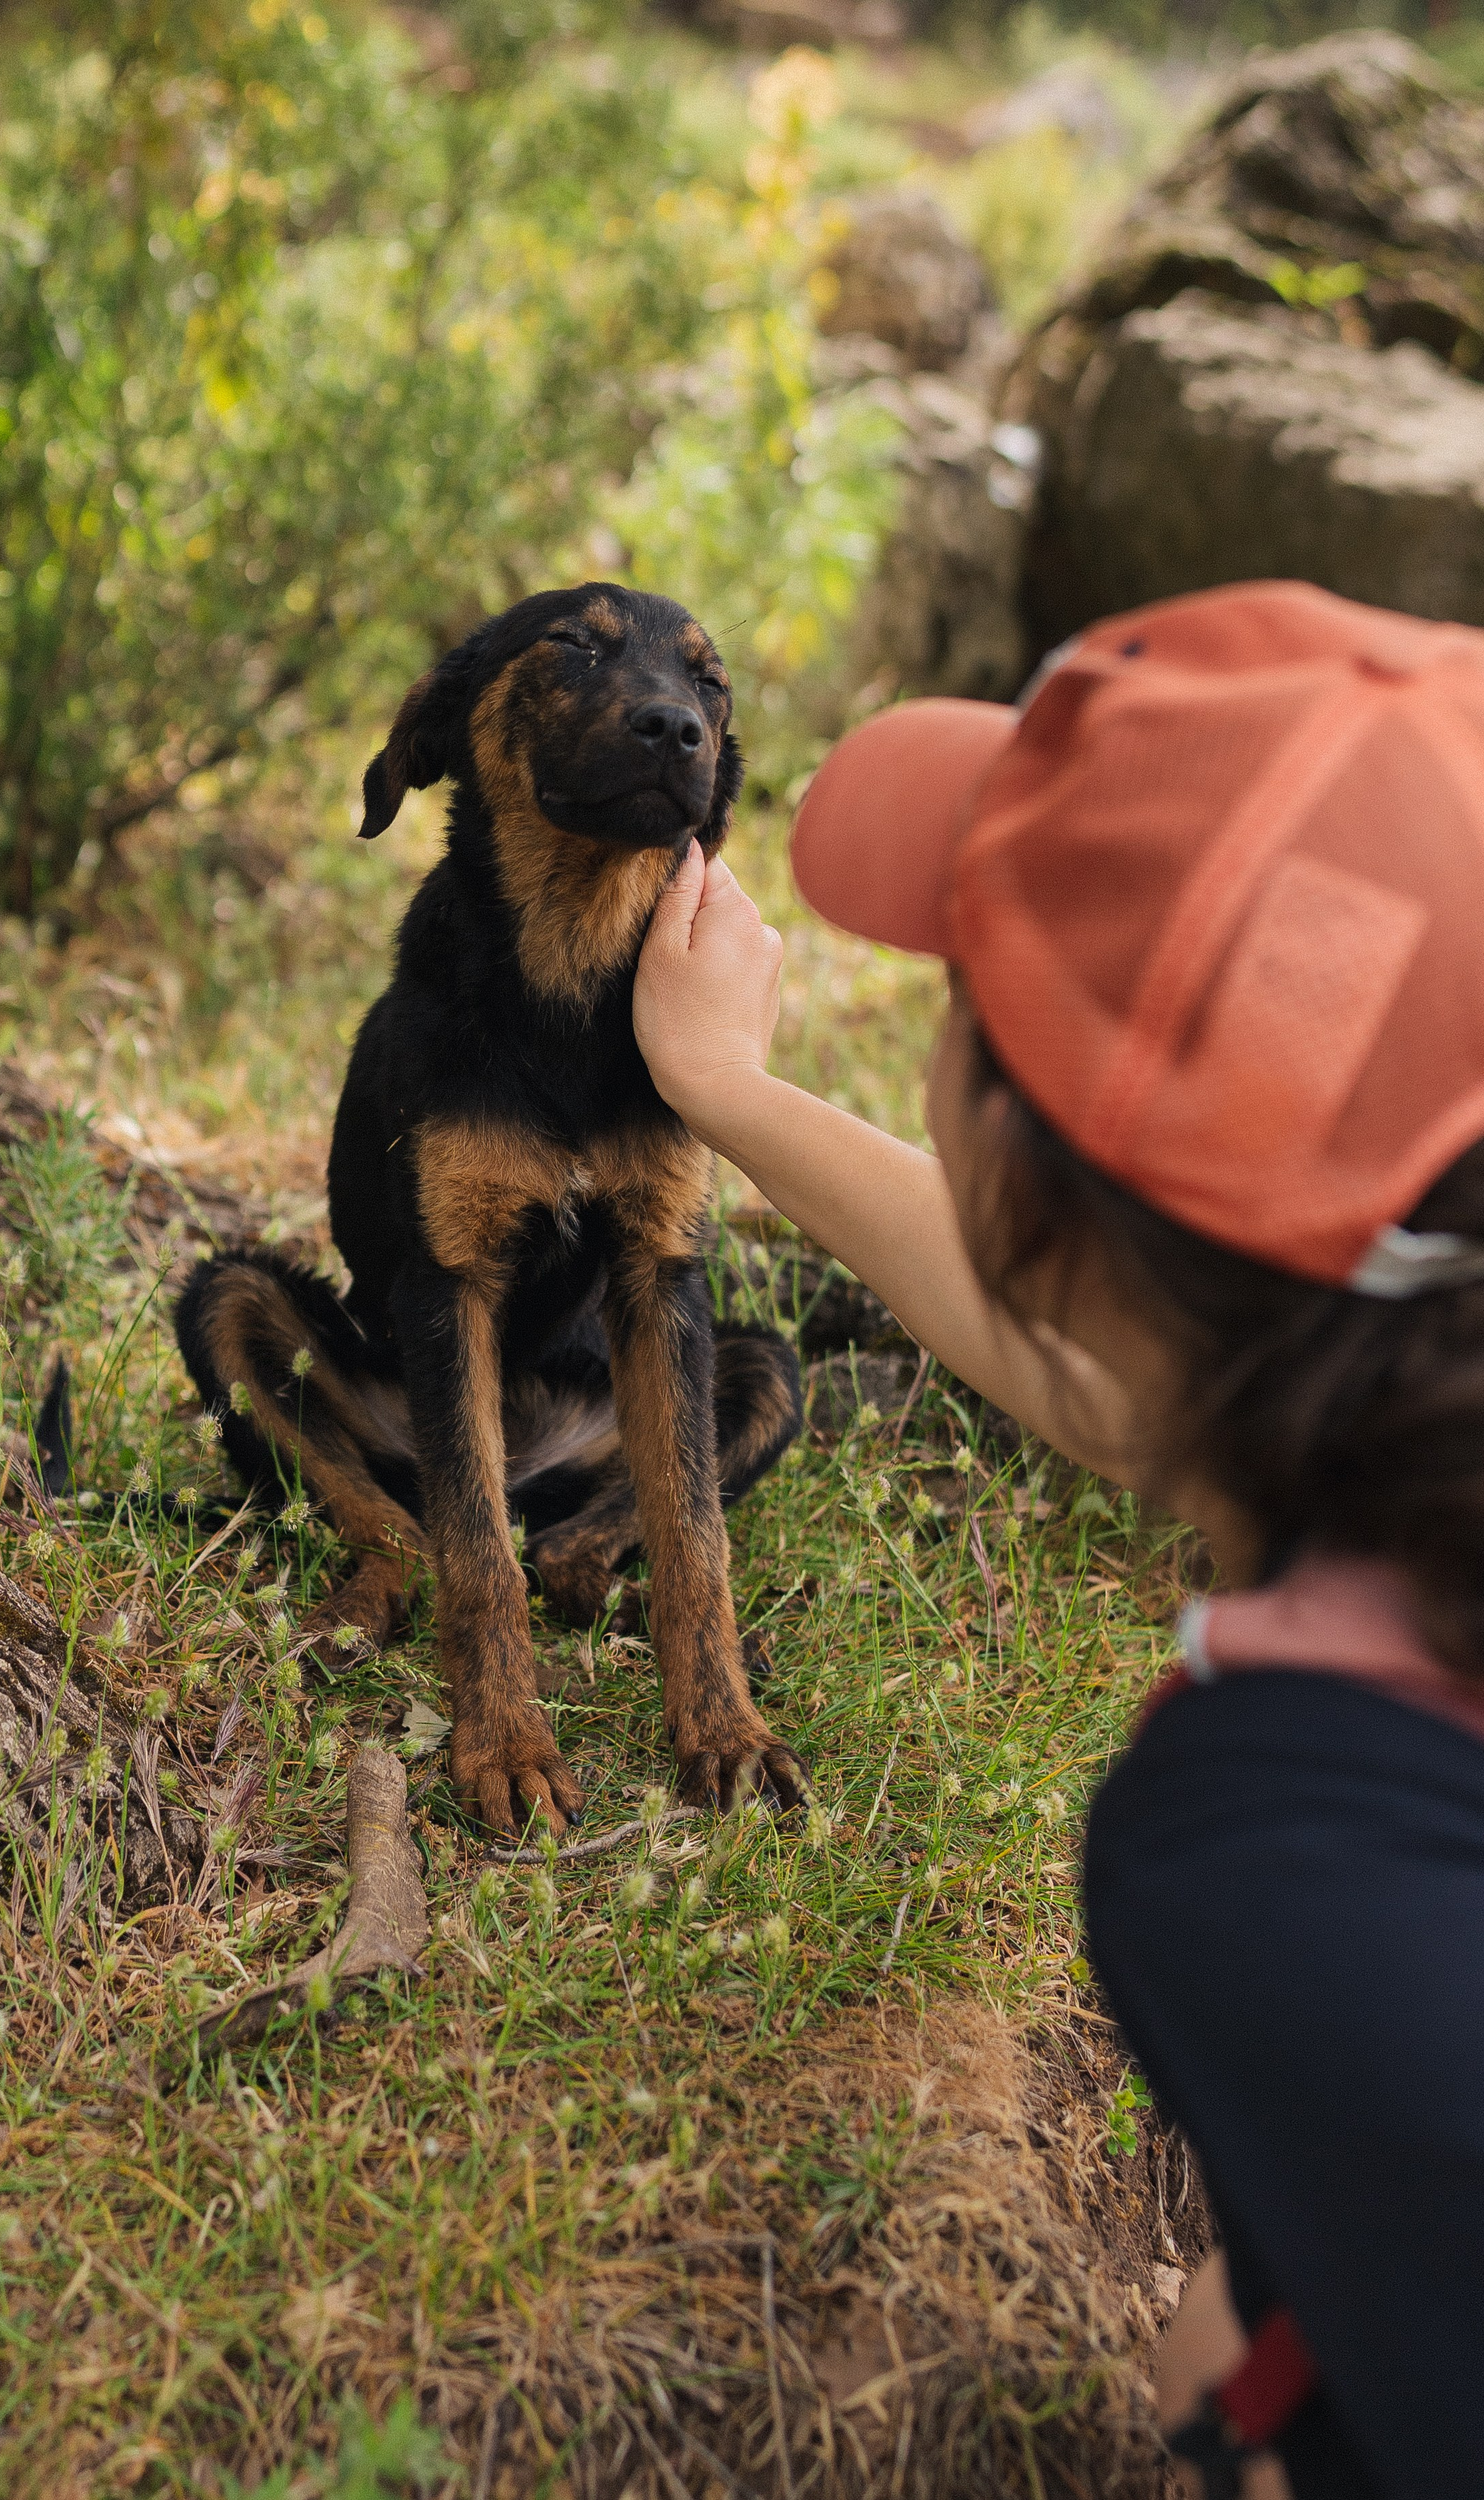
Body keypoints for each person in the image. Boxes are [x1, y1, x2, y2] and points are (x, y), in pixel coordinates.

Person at [630, 580, 1484, 2500]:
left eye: (965, 990)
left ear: (1035, 1179)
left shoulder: (1269, 1855)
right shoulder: (1390, 1389)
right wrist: (734, 1099)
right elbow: (1138, 1381)